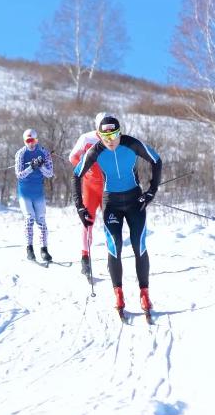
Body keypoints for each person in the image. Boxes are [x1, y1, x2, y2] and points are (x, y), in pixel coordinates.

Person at [72, 113, 162, 316]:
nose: (111, 141)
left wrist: (150, 192)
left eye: (114, 136)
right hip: (111, 202)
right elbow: (76, 174)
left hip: (134, 201)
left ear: (120, 132)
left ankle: (144, 293)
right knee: (115, 246)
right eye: (106, 138)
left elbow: (156, 160)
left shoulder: (132, 144)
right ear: (99, 136)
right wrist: (80, 206)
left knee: (139, 245)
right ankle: (118, 293)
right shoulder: (96, 151)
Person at [68, 114, 107, 277]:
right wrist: (85, 169)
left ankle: (112, 260)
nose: (104, 133)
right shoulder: (86, 138)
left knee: (111, 224)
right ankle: (85, 258)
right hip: (90, 187)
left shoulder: (115, 139)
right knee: (87, 223)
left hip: (107, 189)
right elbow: (72, 157)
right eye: (101, 129)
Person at [15, 128, 54, 262]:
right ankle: (29, 249)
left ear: (37, 140)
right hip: (25, 191)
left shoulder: (44, 152)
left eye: (33, 140)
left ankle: (44, 249)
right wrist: (31, 167)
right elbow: (19, 175)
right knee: (29, 218)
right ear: (25, 141)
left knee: (41, 220)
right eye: (28, 141)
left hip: (38, 192)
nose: (31, 143)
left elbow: (50, 174)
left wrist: (41, 166)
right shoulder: (20, 154)